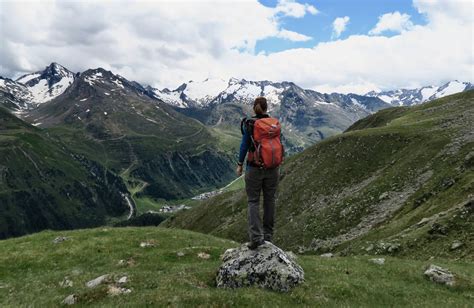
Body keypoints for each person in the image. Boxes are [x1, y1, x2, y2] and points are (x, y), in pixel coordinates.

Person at [236, 96, 284, 250]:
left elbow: (244, 145)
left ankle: (256, 238)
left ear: (254, 108)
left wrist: (239, 164)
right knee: (270, 200)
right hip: (273, 168)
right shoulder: (274, 124)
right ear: (266, 108)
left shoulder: (250, 123)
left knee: (253, 201)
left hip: (254, 168)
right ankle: (268, 236)